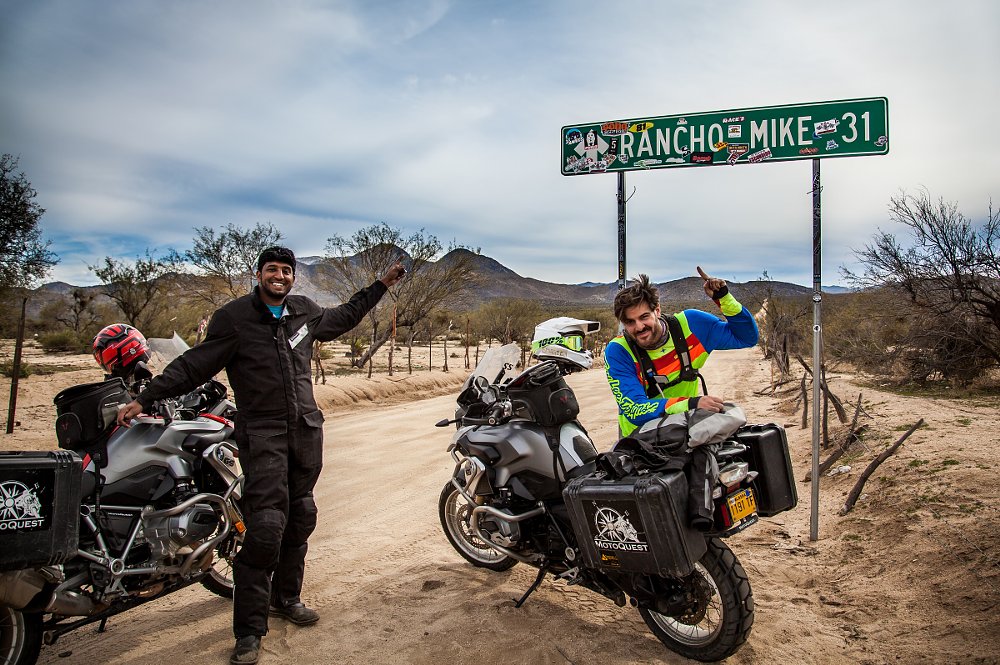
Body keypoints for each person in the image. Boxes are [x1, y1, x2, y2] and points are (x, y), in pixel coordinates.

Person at [116, 246, 405, 665]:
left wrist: (380, 285)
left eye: (287, 271)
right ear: (259, 274)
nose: (280, 276)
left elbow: (345, 317)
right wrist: (147, 398)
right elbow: (195, 364)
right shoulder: (234, 319)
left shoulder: (303, 313)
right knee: (266, 526)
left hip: (305, 431)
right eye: (272, 270)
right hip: (263, 435)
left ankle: (286, 598)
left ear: (292, 277)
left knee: (301, 514)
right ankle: (249, 630)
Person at [604, 267, 759, 438]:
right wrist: (692, 404)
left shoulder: (692, 325)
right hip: (640, 440)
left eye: (644, 317)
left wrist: (723, 298)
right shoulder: (619, 351)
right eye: (630, 322)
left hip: (687, 432)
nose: (639, 327)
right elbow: (634, 409)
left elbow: (747, 337)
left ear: (657, 310)